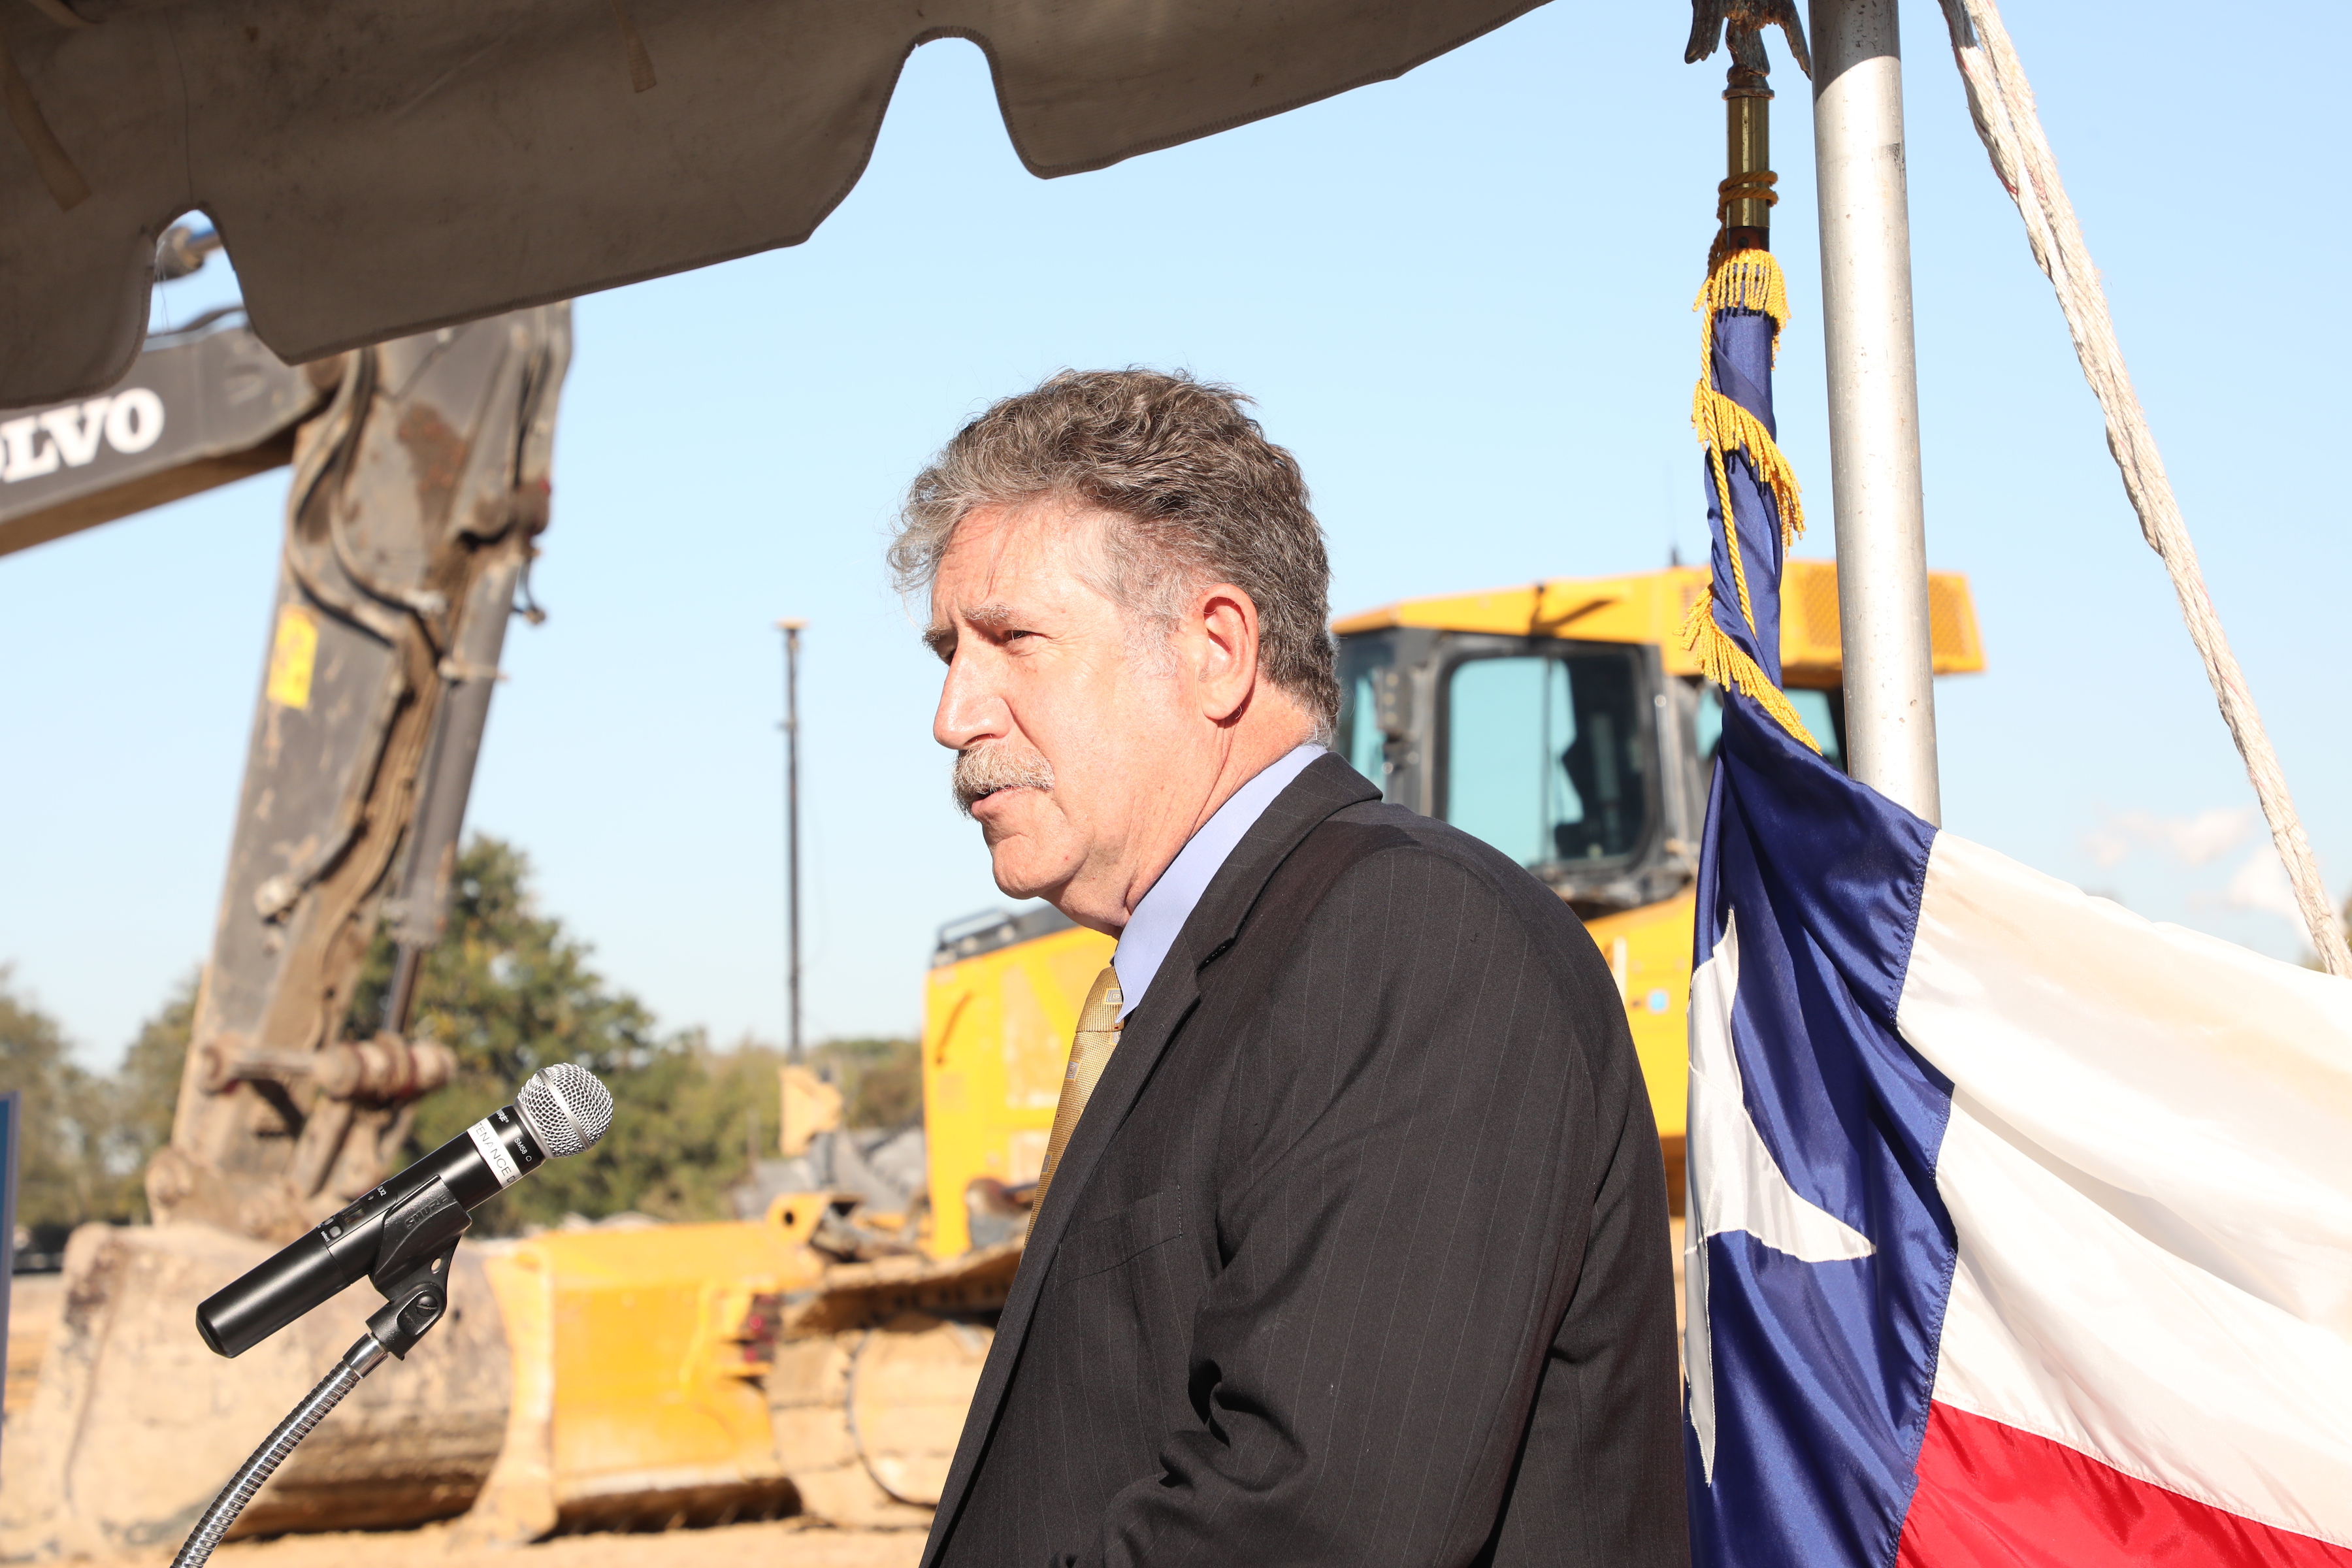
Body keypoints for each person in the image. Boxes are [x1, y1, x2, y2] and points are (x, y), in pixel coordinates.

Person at [893, 370, 1687, 1568]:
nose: (955, 714)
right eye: (950, 651)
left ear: (1217, 650)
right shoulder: (1230, 965)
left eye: (1012, 640)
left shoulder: (1411, 941)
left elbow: (1310, 1525)